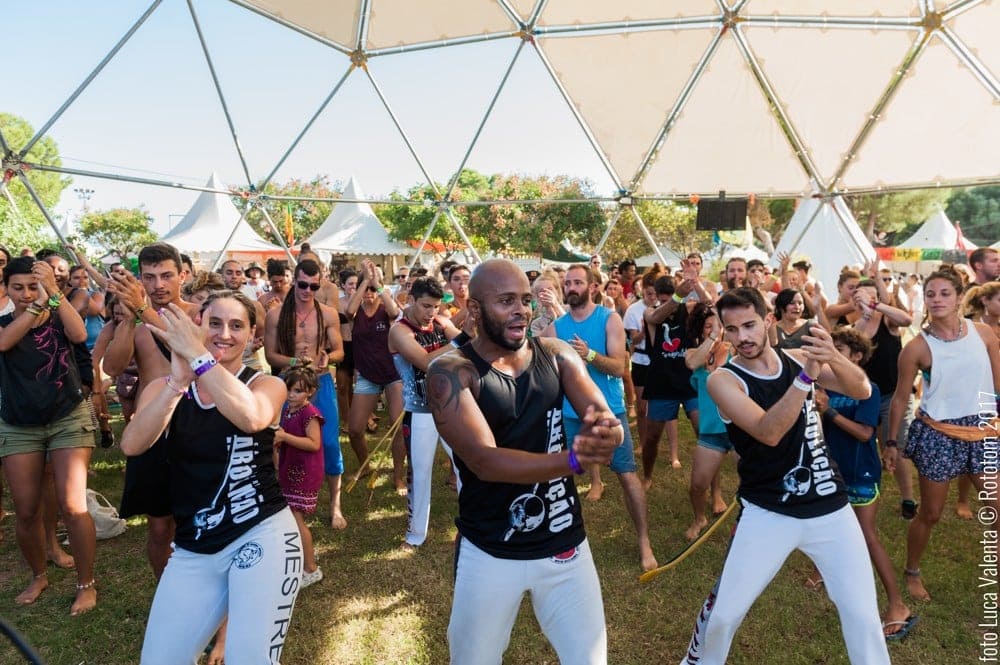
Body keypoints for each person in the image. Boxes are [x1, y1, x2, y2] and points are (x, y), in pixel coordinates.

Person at [426, 259, 623, 665]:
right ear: (475, 309)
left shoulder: (557, 354)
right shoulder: (451, 373)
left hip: (564, 546)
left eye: (524, 300)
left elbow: (605, 419)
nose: (521, 310)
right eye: (506, 301)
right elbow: (486, 461)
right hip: (490, 549)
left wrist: (607, 432)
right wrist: (573, 460)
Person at [680, 287, 890, 665]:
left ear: (768, 321)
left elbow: (860, 389)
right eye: (732, 329)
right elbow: (769, 431)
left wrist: (831, 357)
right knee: (725, 616)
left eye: (749, 325)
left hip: (830, 507)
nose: (742, 337)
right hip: (768, 510)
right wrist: (806, 379)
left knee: (862, 615)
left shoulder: (797, 358)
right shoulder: (723, 380)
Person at [119, 291, 301, 663]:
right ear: (198, 325)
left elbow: (252, 417)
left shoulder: (267, 385)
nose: (224, 334)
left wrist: (199, 358)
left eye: (237, 326)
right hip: (194, 547)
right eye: (214, 323)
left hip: (260, 534)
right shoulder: (165, 386)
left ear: (252, 336)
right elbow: (132, 444)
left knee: (248, 659)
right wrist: (177, 383)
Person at [885, 266, 1000, 602]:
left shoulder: (984, 334)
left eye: (944, 293)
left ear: (959, 297)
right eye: (930, 294)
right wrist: (891, 442)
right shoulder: (917, 348)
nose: (936, 299)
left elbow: (998, 384)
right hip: (939, 434)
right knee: (931, 513)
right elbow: (900, 398)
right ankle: (912, 570)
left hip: (982, 431)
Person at [0, 257, 98, 616]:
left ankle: (86, 584)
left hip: (67, 417)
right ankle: (39, 576)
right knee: (26, 509)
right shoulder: (4, 324)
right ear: (6, 289)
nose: (27, 294)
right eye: (18, 287)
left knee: (73, 505)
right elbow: (4, 343)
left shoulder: (59, 316)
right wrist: (37, 305)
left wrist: (54, 294)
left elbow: (79, 335)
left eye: (33, 286)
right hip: (18, 423)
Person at [544, 264, 658, 571]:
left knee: (626, 473)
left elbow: (619, 367)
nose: (571, 287)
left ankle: (644, 541)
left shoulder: (609, 318)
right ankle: (561, 541)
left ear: (592, 287)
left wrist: (589, 355)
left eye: (577, 282)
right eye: (568, 283)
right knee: (563, 473)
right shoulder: (556, 327)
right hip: (571, 414)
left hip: (609, 412)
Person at [104, 242, 202, 578]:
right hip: (153, 428)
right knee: (159, 528)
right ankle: (166, 591)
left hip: (197, 425)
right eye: (149, 277)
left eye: (166, 275)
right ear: (140, 279)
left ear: (182, 275)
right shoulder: (134, 321)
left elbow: (187, 348)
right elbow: (113, 366)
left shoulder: (198, 314)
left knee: (200, 517)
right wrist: (129, 320)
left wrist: (142, 309)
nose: (158, 284)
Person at [813, 327, 914, 638]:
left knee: (867, 536)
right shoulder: (823, 386)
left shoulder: (868, 389)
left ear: (856, 356)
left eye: (839, 351)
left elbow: (864, 433)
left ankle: (897, 604)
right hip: (831, 470)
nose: (831, 358)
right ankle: (823, 571)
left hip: (860, 473)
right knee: (825, 524)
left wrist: (828, 411)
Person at [264, 258, 346, 529]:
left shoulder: (328, 314)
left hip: (319, 382)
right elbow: (270, 355)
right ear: (293, 281)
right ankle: (284, 500)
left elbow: (339, 351)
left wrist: (328, 358)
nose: (307, 291)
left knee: (330, 443)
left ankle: (335, 506)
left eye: (314, 286)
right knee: (281, 442)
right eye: (302, 285)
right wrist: (293, 361)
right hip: (286, 384)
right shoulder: (276, 315)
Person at [387, 277, 463, 549]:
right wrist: (463, 339)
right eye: (426, 306)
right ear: (411, 300)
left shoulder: (441, 322)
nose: (431, 312)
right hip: (420, 412)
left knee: (466, 466)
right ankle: (415, 534)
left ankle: (475, 525)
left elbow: (470, 344)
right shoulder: (399, 331)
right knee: (420, 474)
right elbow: (426, 361)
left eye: (435, 306)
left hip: (451, 407)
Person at [642, 266, 706, 484]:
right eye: (663, 299)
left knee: (703, 432)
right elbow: (656, 318)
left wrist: (696, 282)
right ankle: (647, 477)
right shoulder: (651, 311)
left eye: (671, 297)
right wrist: (677, 297)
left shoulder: (688, 308)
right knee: (652, 437)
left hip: (689, 380)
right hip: (661, 382)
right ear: (657, 297)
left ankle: (710, 484)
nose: (668, 303)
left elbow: (710, 304)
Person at [345, 259, 404, 493]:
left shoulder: (385, 309)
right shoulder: (356, 311)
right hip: (367, 376)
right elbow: (348, 311)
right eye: (366, 289)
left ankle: (398, 476)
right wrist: (365, 280)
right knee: (355, 430)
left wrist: (377, 284)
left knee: (397, 426)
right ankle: (365, 466)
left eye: (373, 289)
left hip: (393, 374)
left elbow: (395, 312)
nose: (369, 293)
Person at [682, 303, 732, 541]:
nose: (714, 330)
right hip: (711, 430)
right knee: (697, 486)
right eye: (707, 326)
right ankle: (699, 518)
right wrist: (712, 337)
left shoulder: (734, 350)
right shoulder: (693, 353)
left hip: (739, 427)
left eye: (718, 325)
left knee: (754, 480)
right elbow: (693, 364)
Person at [275, 366, 325, 587]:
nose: (291, 395)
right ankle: (295, 561)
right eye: (288, 389)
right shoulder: (288, 410)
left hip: (304, 472)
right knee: (289, 517)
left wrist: (285, 437)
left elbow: (314, 443)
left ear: (310, 392)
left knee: (296, 518)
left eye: (297, 391)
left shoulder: (309, 413)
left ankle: (311, 568)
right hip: (290, 468)